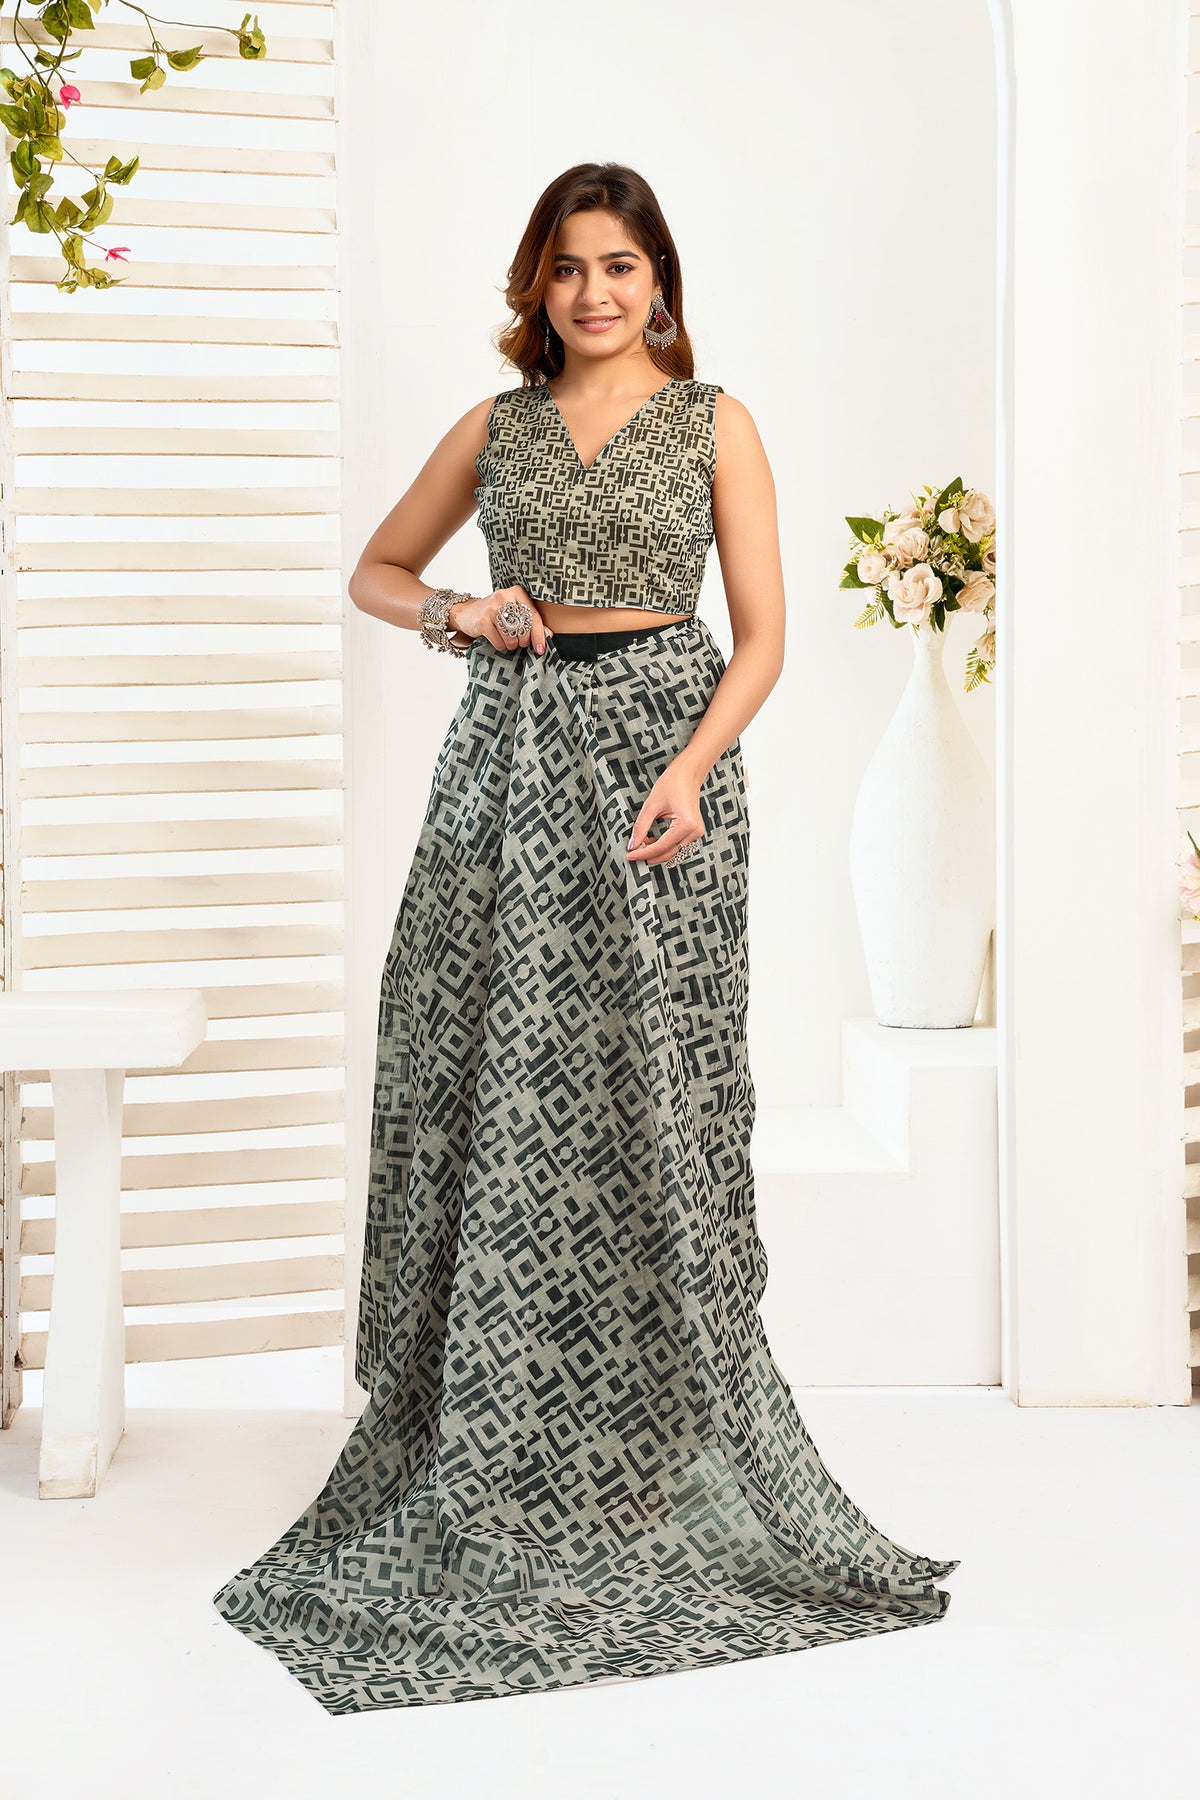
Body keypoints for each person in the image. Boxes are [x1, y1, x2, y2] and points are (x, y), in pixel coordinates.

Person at [212, 161, 958, 1714]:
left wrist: (689, 769)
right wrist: (463, 614)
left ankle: (658, 1445)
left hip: (663, 774)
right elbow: (375, 572)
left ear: (659, 279)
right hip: (511, 761)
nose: (595, 292)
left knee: (652, 1104)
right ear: (535, 287)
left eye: (619, 265)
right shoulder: (497, 430)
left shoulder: (715, 423)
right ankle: (490, 1430)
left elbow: (762, 637)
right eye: (568, 268)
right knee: (488, 1083)